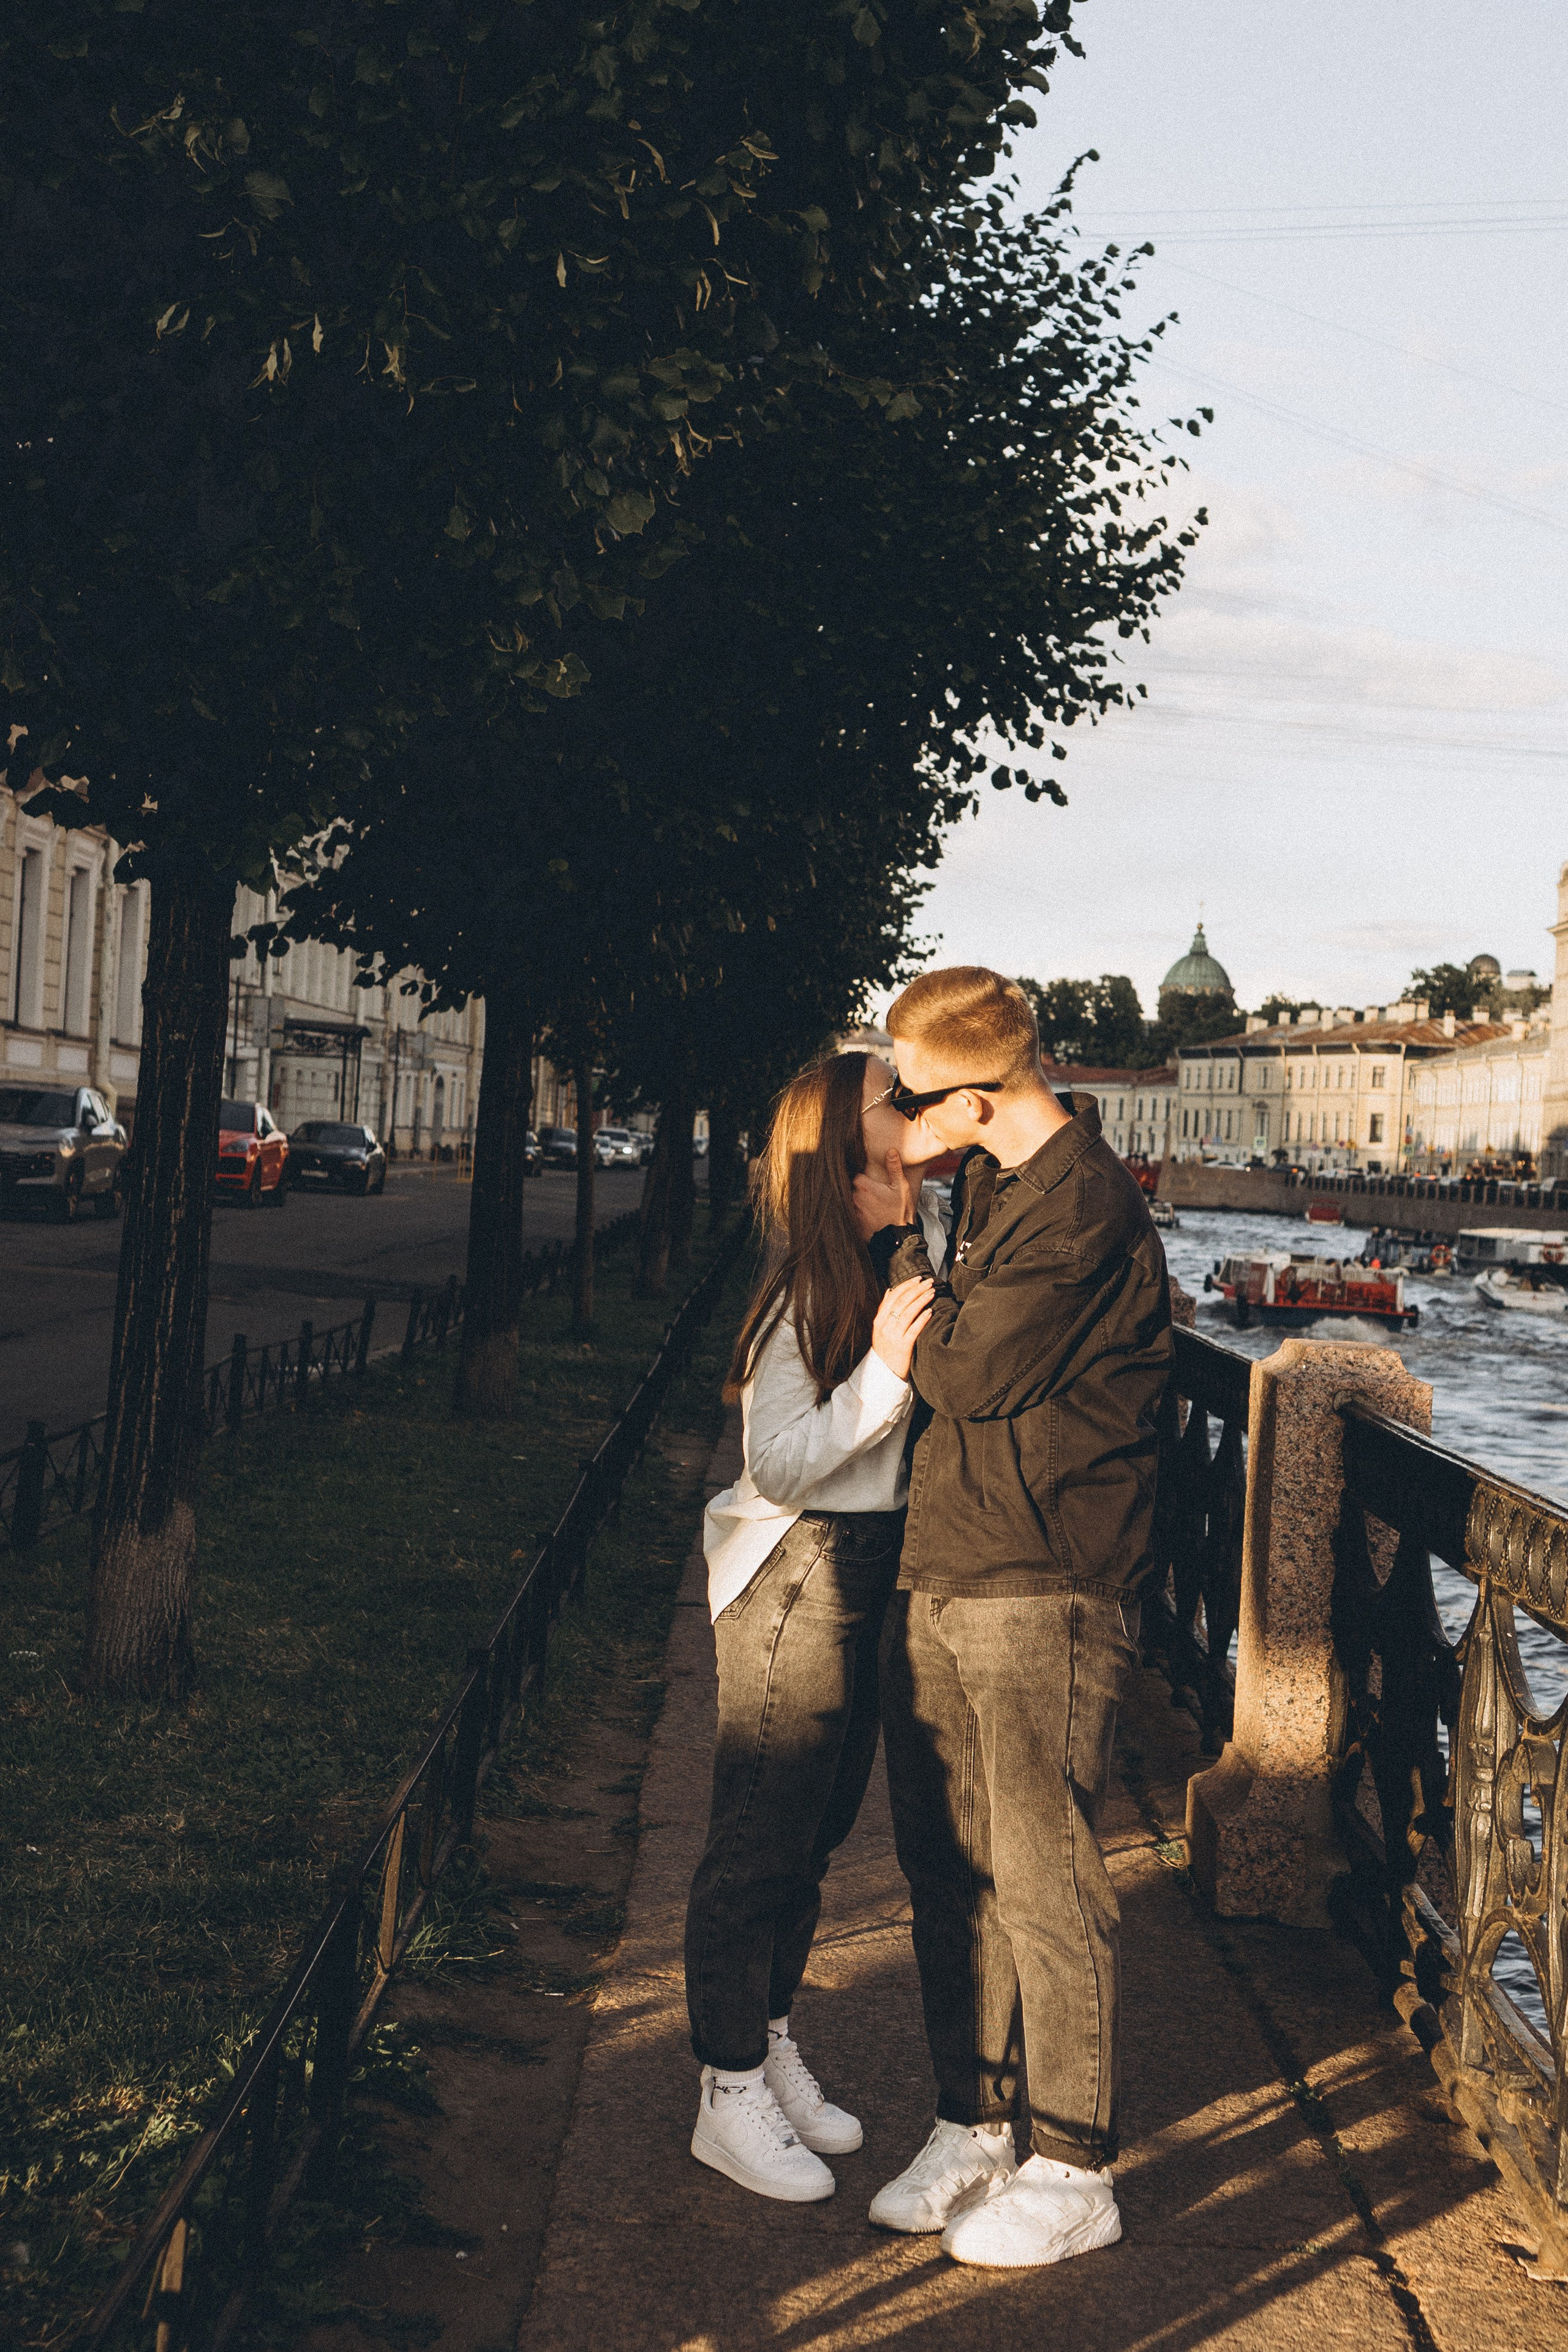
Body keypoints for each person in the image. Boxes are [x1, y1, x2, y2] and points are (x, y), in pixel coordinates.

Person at [851, 967, 1172, 2269]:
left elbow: (968, 1370)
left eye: (913, 1100)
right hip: (948, 1560)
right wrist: (909, 1230)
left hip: (1045, 1579)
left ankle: (1074, 2164)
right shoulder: (986, 1181)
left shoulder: (1085, 1206)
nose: (899, 1119)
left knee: (1045, 1881)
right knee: (948, 1871)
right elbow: (949, 1340)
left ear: (976, 1094)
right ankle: (975, 2124)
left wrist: (894, 1287)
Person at [685, 1049, 950, 2203]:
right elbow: (781, 1461)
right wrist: (885, 1375)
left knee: (818, 1829)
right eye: (893, 1154)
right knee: (758, 1836)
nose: (915, 1164)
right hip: (795, 1567)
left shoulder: (898, 1248)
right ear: (844, 1170)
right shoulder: (804, 1291)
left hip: (864, 1562)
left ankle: (770, 2032)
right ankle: (725, 2083)